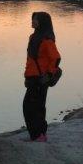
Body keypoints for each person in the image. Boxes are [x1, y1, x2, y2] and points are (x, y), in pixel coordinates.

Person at [24, 12, 61, 142]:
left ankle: (38, 135)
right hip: (32, 78)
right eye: (33, 18)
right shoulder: (33, 37)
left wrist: (49, 74)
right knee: (35, 106)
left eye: (36, 19)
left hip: (40, 79)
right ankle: (40, 135)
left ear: (42, 22)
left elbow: (56, 58)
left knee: (32, 107)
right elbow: (31, 59)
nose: (33, 21)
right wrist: (26, 76)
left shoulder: (46, 39)